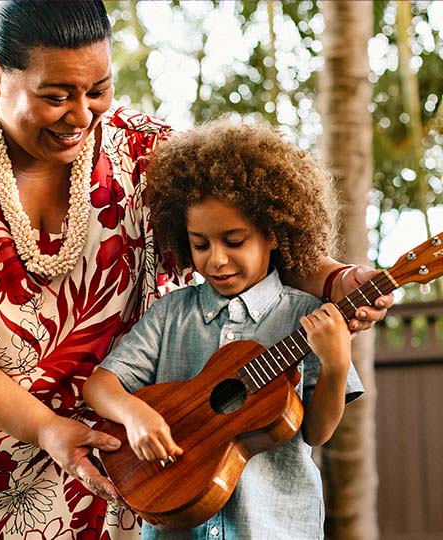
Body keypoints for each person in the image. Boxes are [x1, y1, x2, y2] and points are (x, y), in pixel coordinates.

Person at [0, 1, 391, 538]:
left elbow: (246, 231)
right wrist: (48, 426)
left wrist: (335, 279)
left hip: (122, 474)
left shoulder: (144, 150)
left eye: (98, 89)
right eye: (56, 95)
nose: (81, 116)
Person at [83, 119, 363, 540]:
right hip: (177, 524)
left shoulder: (307, 316)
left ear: (273, 234)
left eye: (234, 241)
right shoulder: (171, 315)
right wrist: (134, 413)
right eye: (201, 244)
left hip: (272, 526)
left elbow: (317, 433)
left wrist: (337, 363)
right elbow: (100, 385)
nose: (216, 260)